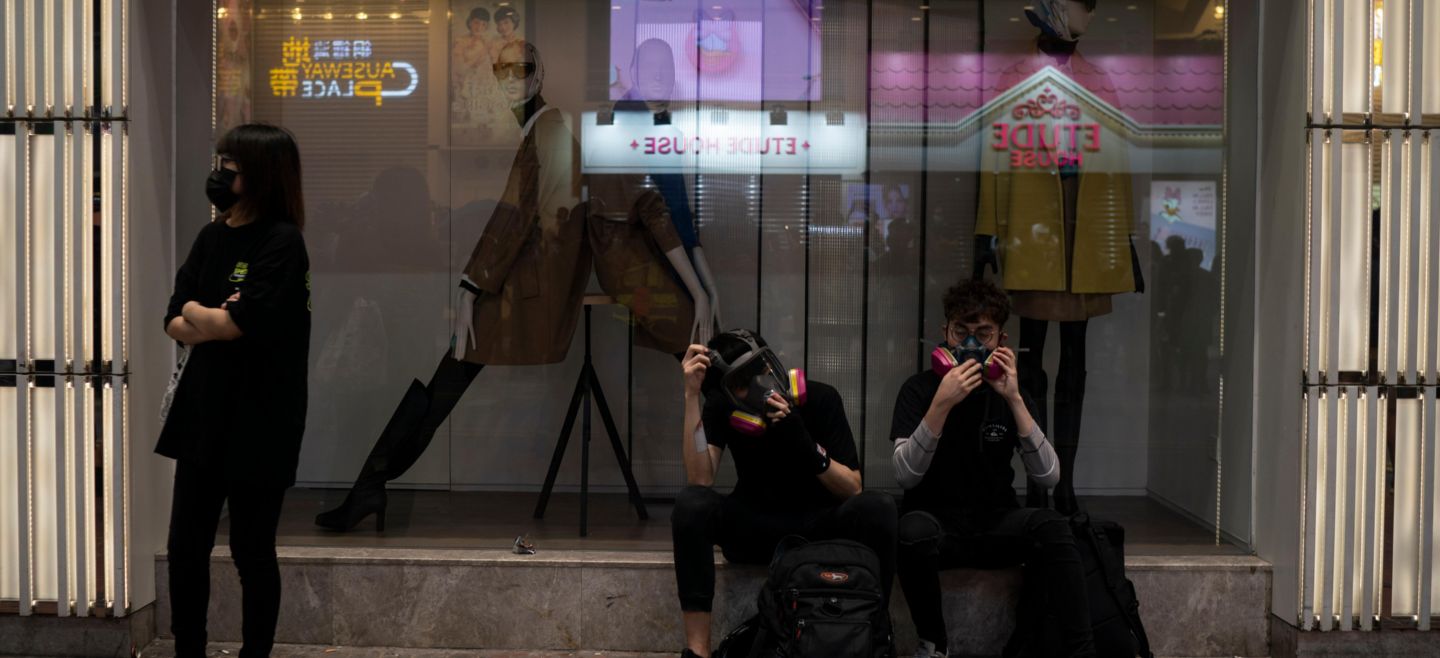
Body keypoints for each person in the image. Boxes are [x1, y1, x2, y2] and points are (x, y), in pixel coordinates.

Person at [315, 41, 587, 532]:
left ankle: (369, 489)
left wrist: (472, 283)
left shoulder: (549, 132)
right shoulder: (543, 133)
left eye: (521, 71)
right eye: (501, 73)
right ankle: (368, 489)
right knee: (439, 386)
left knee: (443, 385)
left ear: (540, 73)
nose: (512, 81)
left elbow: (521, 218)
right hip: (513, 291)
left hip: (516, 296)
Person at [159, 124, 311, 658]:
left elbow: (234, 325)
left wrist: (204, 315)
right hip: (201, 414)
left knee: (251, 550)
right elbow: (172, 318)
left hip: (261, 421)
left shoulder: (283, 243)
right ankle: (189, 650)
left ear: (261, 176)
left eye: (230, 165)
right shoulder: (211, 236)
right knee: (185, 547)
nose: (218, 174)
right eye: (218, 160)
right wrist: (211, 312)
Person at [890, 279, 1093, 658]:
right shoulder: (918, 390)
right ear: (944, 334)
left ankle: (1074, 649)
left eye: (983, 334)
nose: (970, 344)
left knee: (1055, 527)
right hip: (937, 525)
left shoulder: (1008, 393)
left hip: (995, 521)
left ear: (1001, 340)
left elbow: (1049, 475)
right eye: (960, 332)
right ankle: (934, 645)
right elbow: (905, 475)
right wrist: (941, 405)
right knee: (909, 531)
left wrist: (1015, 400)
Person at [672, 330, 897, 658]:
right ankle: (699, 650)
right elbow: (699, 478)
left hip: (817, 533)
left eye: (759, 369)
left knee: (879, 507)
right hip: (754, 524)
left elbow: (853, 487)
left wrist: (804, 444)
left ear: (772, 362)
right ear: (728, 392)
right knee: (691, 504)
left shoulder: (821, 399)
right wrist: (692, 397)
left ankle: (877, 637)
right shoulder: (723, 408)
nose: (757, 385)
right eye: (740, 382)